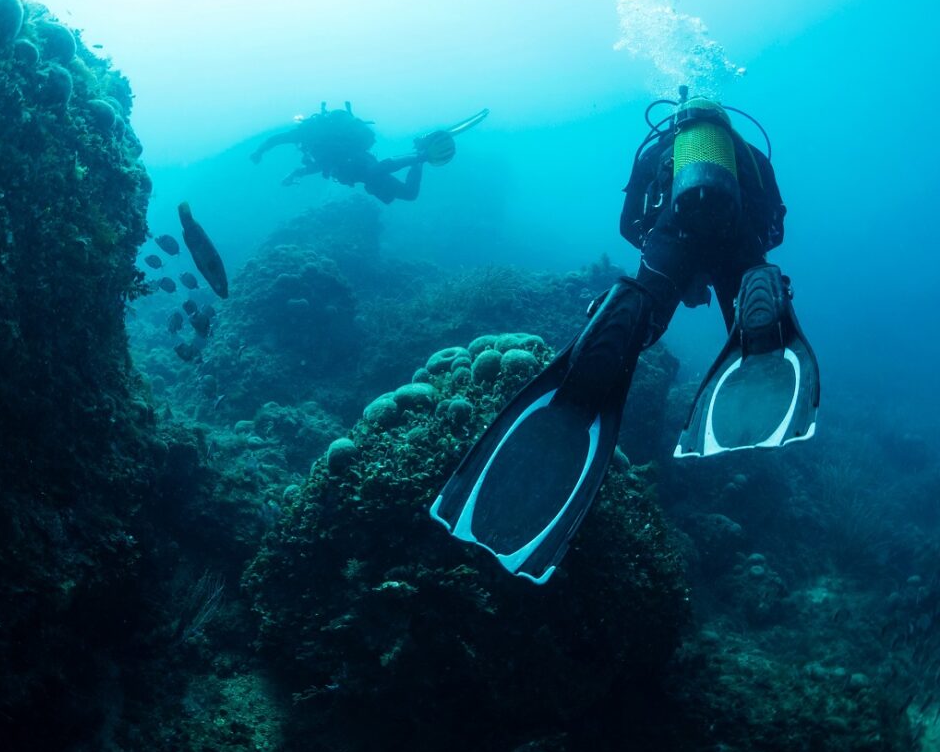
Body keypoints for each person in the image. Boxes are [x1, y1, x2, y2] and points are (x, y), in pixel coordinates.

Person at [430, 89, 819, 584]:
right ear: (725, 122)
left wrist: (666, 254)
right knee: (745, 291)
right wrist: (739, 254)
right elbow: (774, 223)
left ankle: (628, 308)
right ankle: (755, 294)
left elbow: (627, 222)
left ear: (677, 121)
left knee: (648, 307)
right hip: (738, 238)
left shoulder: (662, 149)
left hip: (670, 237)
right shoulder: (750, 155)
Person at [250, 101, 462, 204]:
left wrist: (259, 152)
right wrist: (297, 173)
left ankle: (420, 155)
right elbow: (322, 165)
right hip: (356, 173)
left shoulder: (306, 134)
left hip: (360, 164)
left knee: (374, 173)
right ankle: (419, 156)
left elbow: (274, 139)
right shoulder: (315, 144)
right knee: (409, 194)